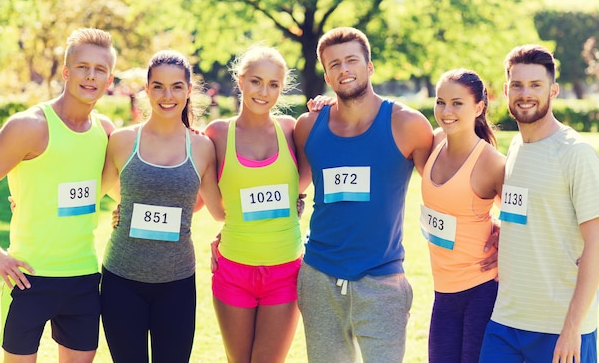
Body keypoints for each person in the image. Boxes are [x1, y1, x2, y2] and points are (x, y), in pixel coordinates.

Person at [0, 28, 116, 362]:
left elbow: (126, 189)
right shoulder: (31, 126)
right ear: (66, 72)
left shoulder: (106, 132)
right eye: (82, 66)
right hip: (29, 277)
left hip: (83, 278)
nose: (90, 75)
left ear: (109, 79)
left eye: (100, 69)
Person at [293, 26, 434, 363]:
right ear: (326, 75)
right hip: (319, 278)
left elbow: (441, 188)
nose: (344, 70)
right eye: (334, 64)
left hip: (383, 280)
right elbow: (292, 189)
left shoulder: (407, 125)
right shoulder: (308, 127)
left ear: (369, 66)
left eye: (352, 60)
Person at [99, 50, 224, 362]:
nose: (167, 96)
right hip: (121, 280)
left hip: (177, 284)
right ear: (146, 88)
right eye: (158, 86)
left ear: (188, 90)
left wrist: (292, 197)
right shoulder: (123, 140)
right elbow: (97, 191)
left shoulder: (202, 147)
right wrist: (30, 196)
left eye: (176, 87)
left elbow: (218, 210)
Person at [479, 44, 599, 363]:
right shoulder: (517, 147)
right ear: (505, 90)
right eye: (517, 85)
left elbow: (596, 245)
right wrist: (500, 232)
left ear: (553, 90)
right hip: (506, 321)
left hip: (560, 328)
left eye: (536, 85)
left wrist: (572, 328)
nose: (525, 93)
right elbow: (525, 213)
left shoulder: (575, 153)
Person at [205, 45, 307, 363]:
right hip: (233, 269)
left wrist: (322, 105)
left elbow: (304, 184)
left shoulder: (292, 131)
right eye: (256, 81)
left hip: (285, 272)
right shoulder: (217, 134)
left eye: (273, 85)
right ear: (240, 80)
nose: (264, 92)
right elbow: (218, 209)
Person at [421, 69, 504, 363]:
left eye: (457, 103)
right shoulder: (431, 144)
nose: (446, 111)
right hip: (442, 291)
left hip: (481, 290)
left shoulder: (492, 163)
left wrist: (504, 237)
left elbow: (522, 218)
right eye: (440, 102)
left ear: (479, 108)